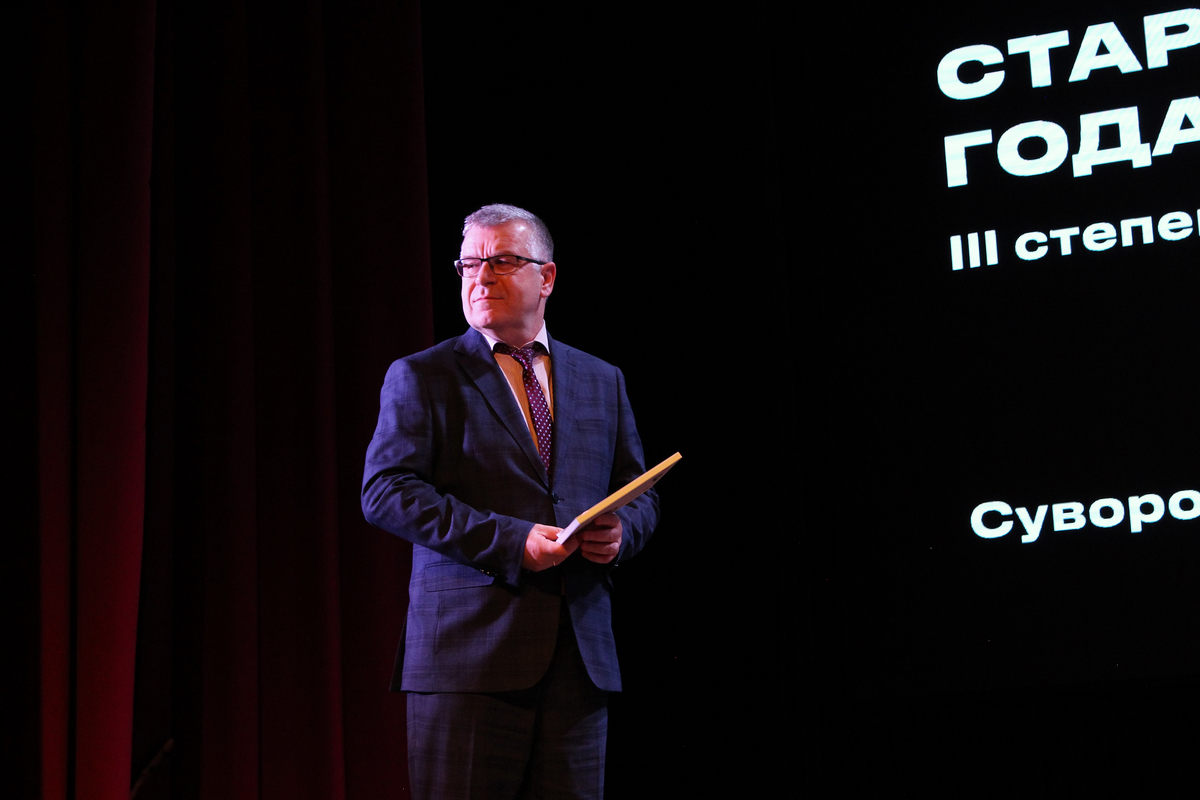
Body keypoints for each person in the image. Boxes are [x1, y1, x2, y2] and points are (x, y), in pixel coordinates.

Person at [362, 203, 660, 799]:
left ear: (546, 277)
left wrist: (623, 531)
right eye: (469, 264)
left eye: (500, 261)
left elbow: (639, 492)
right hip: (467, 662)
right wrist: (510, 540)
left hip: (579, 662)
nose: (480, 277)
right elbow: (386, 492)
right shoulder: (423, 375)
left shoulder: (602, 379)